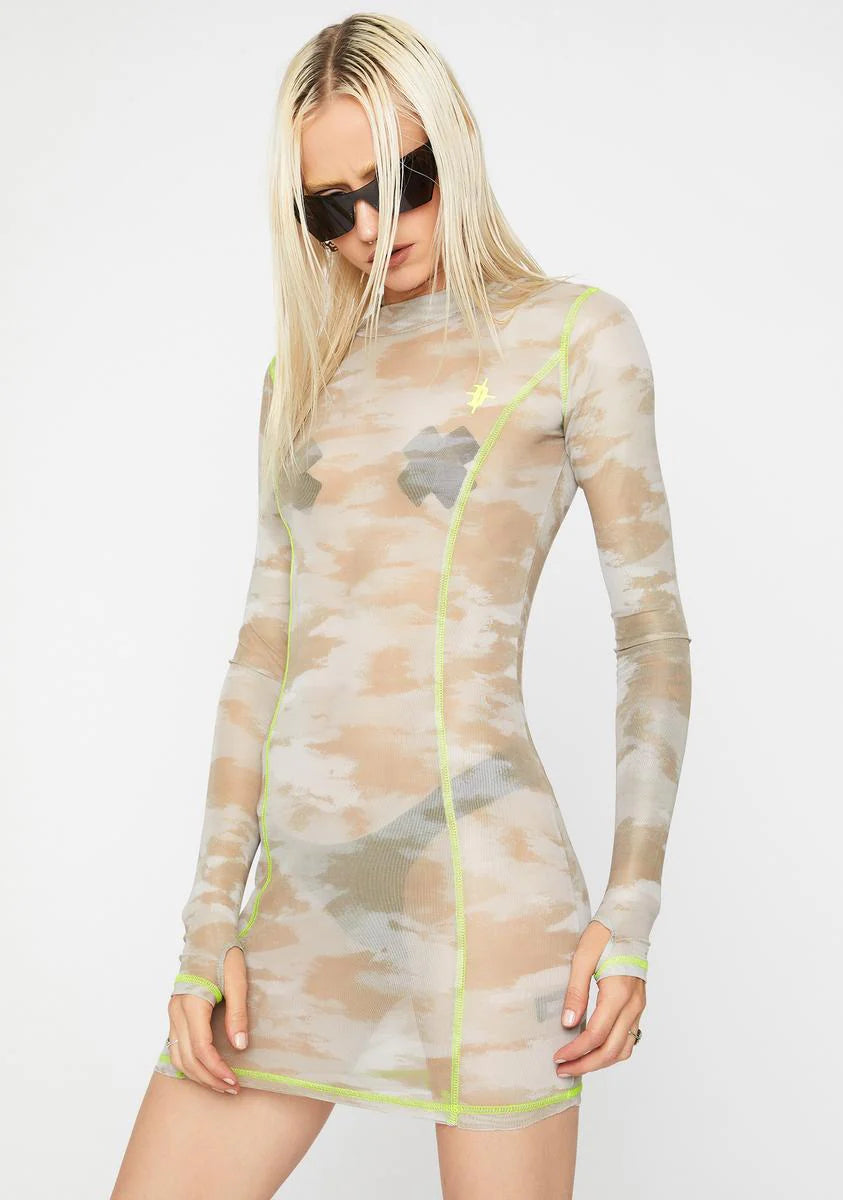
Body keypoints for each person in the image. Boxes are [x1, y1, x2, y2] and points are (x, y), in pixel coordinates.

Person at [111, 13, 692, 1200]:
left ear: (458, 142)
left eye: (402, 180)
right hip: (305, 897)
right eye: (332, 208)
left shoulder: (575, 337)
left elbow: (652, 637)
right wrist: (208, 922)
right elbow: (262, 649)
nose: (374, 228)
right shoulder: (304, 376)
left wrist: (630, 913)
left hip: (486, 888)